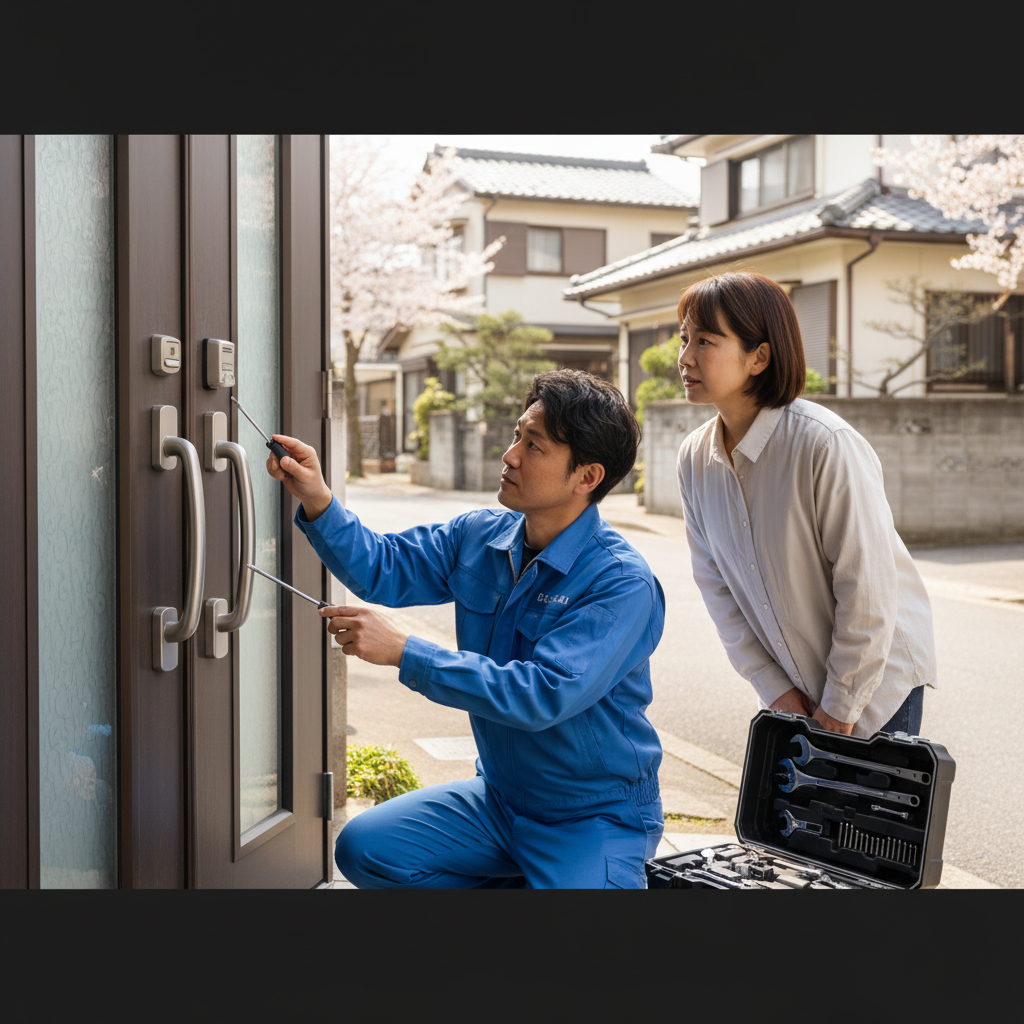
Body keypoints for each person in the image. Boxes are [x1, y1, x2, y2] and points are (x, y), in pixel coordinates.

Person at [266, 369, 665, 888]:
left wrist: (406, 652)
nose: (510, 454)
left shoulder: (621, 583)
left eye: (534, 445)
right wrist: (317, 498)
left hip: (592, 817)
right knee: (366, 850)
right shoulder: (479, 536)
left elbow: (541, 694)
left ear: (587, 477)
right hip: (500, 800)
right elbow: (381, 567)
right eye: (518, 435)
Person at [674, 272, 935, 739]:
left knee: (862, 814)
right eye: (684, 338)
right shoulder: (695, 458)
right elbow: (717, 587)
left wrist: (840, 707)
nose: (685, 357)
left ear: (759, 357)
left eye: (706, 341)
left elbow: (868, 588)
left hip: (875, 691)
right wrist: (773, 688)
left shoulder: (824, 444)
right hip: (792, 695)